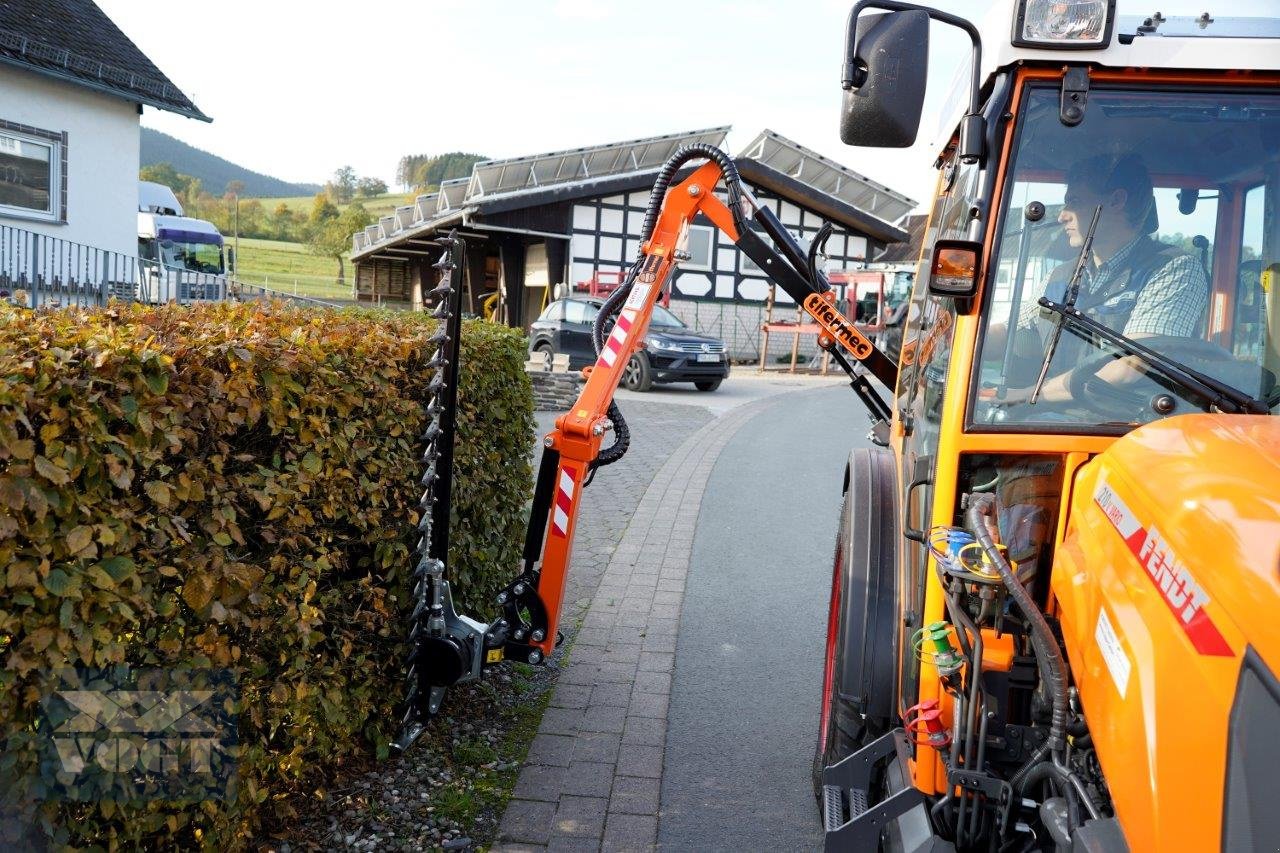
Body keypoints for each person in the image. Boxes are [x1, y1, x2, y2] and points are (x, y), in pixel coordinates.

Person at [997, 153, 1209, 403]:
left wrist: (1028, 395)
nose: (1061, 215)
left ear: (1116, 200)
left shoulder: (1174, 269)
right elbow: (1013, 332)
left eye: (1073, 201)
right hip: (1055, 417)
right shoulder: (1061, 275)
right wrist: (956, 342)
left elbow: (1130, 367)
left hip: (1127, 426)